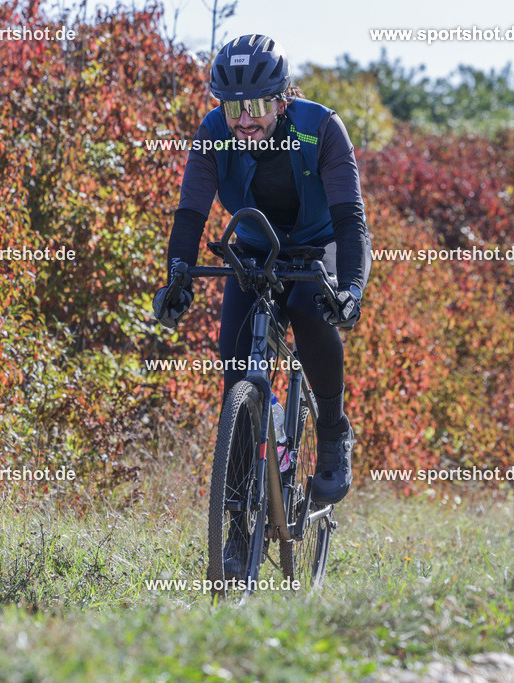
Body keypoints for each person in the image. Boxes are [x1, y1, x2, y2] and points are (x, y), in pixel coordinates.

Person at [153, 34, 371, 575]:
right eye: (232, 108)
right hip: (251, 247)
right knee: (235, 371)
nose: (244, 121)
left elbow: (351, 223)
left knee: (305, 307)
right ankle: (237, 529)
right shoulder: (212, 134)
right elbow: (189, 215)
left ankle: (334, 431)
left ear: (281, 99)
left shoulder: (321, 128)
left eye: (255, 107)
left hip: (317, 244)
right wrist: (176, 277)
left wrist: (351, 290)